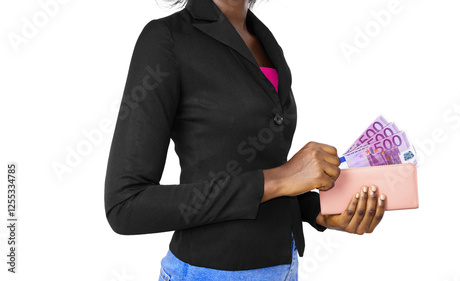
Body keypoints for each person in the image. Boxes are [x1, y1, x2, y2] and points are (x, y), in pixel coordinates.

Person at [104, 0, 387, 280]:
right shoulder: (167, 38)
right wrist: (279, 178)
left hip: (284, 269)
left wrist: (318, 211)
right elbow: (126, 205)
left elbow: (254, 174)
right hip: (208, 272)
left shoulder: (264, 40)